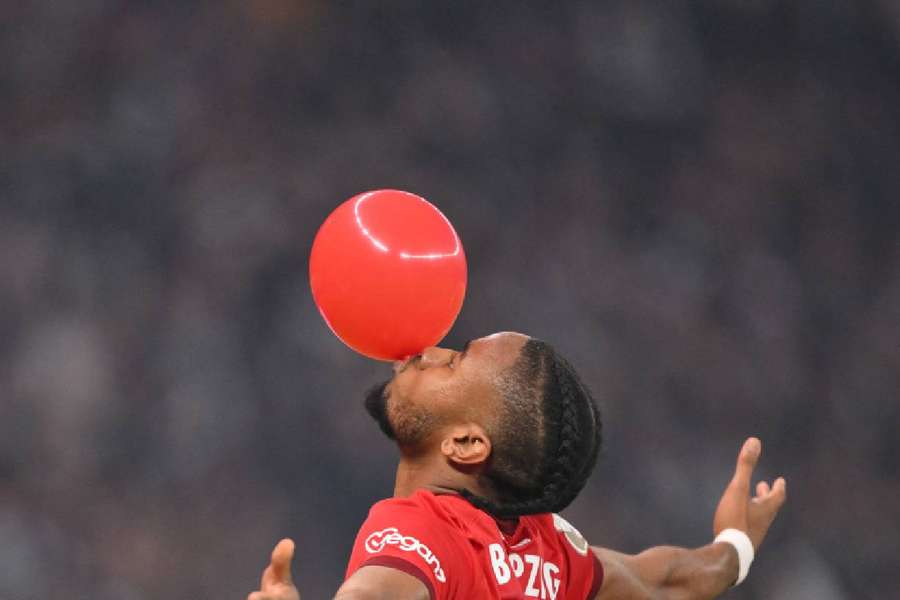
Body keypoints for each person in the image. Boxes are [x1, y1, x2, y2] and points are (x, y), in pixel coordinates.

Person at [247, 332, 787, 600]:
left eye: (454, 362)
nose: (431, 350)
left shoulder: (425, 534)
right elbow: (672, 580)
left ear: (465, 443)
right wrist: (735, 547)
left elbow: (380, 589)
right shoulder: (552, 555)